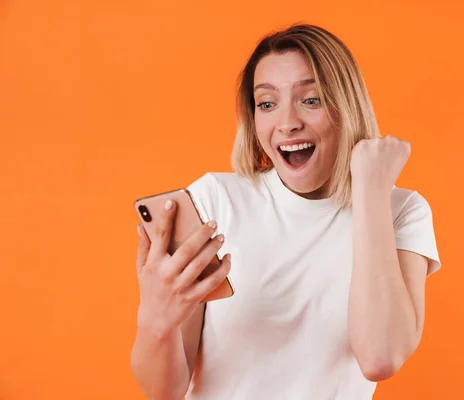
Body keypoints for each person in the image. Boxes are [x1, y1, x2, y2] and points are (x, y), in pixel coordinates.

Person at [130, 23, 441, 400]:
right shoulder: (214, 201)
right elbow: (164, 393)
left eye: (311, 100)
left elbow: (380, 357)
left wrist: (370, 191)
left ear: (347, 105)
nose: (287, 123)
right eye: (267, 103)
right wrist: (155, 321)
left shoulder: (401, 210)